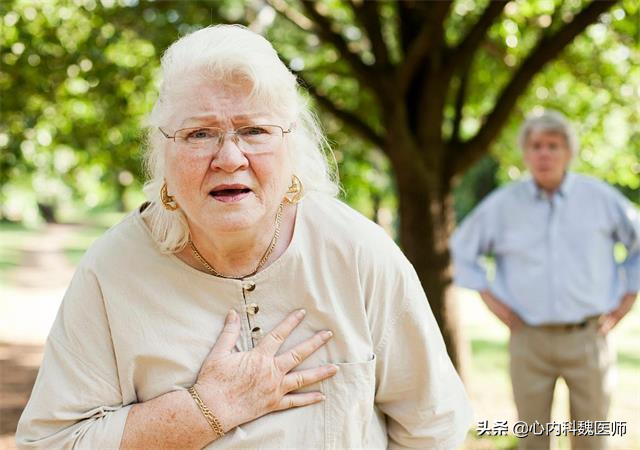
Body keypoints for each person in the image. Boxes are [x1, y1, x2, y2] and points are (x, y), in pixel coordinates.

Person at [16, 25, 472, 449]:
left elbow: (433, 424)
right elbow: (53, 442)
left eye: (254, 130)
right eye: (199, 134)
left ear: (291, 145)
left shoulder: (357, 252)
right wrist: (204, 410)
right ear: (163, 151)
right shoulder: (112, 270)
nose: (229, 157)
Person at [450, 109, 639, 450]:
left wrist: (629, 296)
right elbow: (462, 250)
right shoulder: (503, 205)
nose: (544, 153)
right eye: (536, 145)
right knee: (532, 439)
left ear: (568, 152)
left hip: (589, 338)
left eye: (553, 145)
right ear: (525, 153)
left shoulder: (599, 199)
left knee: (593, 440)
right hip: (528, 339)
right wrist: (491, 300)